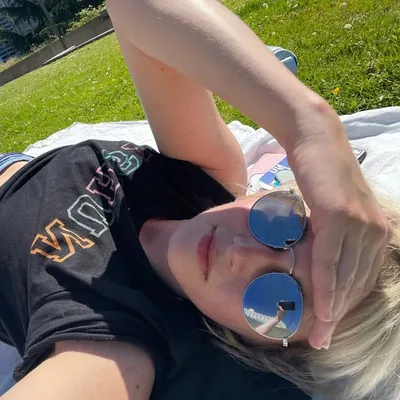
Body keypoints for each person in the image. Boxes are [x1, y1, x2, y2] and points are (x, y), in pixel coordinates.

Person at [0, 0, 396, 399]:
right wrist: (309, 125)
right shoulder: (206, 178)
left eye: (278, 301)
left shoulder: (118, 347)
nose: (242, 253)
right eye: (284, 223)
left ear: (267, 350)